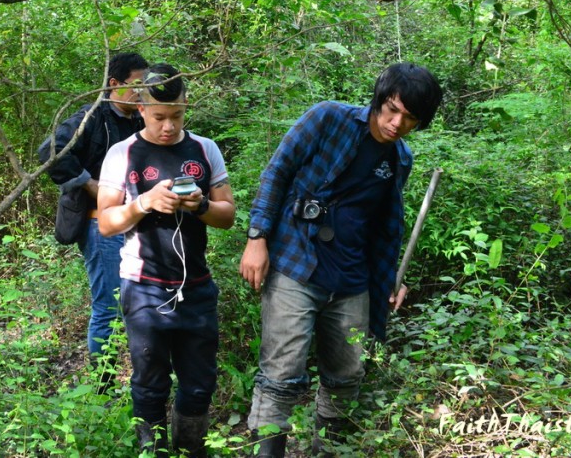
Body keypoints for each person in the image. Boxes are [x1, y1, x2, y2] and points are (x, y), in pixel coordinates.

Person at [240, 62, 443, 457]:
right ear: (378, 100)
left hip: (352, 279)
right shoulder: (327, 118)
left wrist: (389, 282)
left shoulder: (400, 158)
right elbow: (276, 172)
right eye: (392, 109)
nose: (397, 123)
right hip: (296, 264)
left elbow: (384, 228)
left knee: (348, 375)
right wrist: (257, 237)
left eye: (410, 118)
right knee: (281, 372)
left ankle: (329, 450)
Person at [98, 64, 236, 457]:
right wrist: (143, 202)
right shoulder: (122, 154)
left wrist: (201, 205)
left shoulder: (204, 149)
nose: (168, 127)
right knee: (149, 382)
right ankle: (153, 452)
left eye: (176, 116)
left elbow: (227, 216)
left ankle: (192, 450)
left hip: (196, 287)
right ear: (141, 108)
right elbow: (107, 223)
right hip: (143, 286)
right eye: (159, 117)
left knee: (199, 383)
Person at [38, 52, 149, 392]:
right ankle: (103, 386)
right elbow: (51, 151)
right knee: (109, 304)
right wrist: (89, 183)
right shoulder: (91, 117)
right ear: (114, 84)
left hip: (137, 224)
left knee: (138, 300)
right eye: (138, 85)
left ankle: (139, 380)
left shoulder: (141, 120)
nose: (144, 93)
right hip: (97, 223)